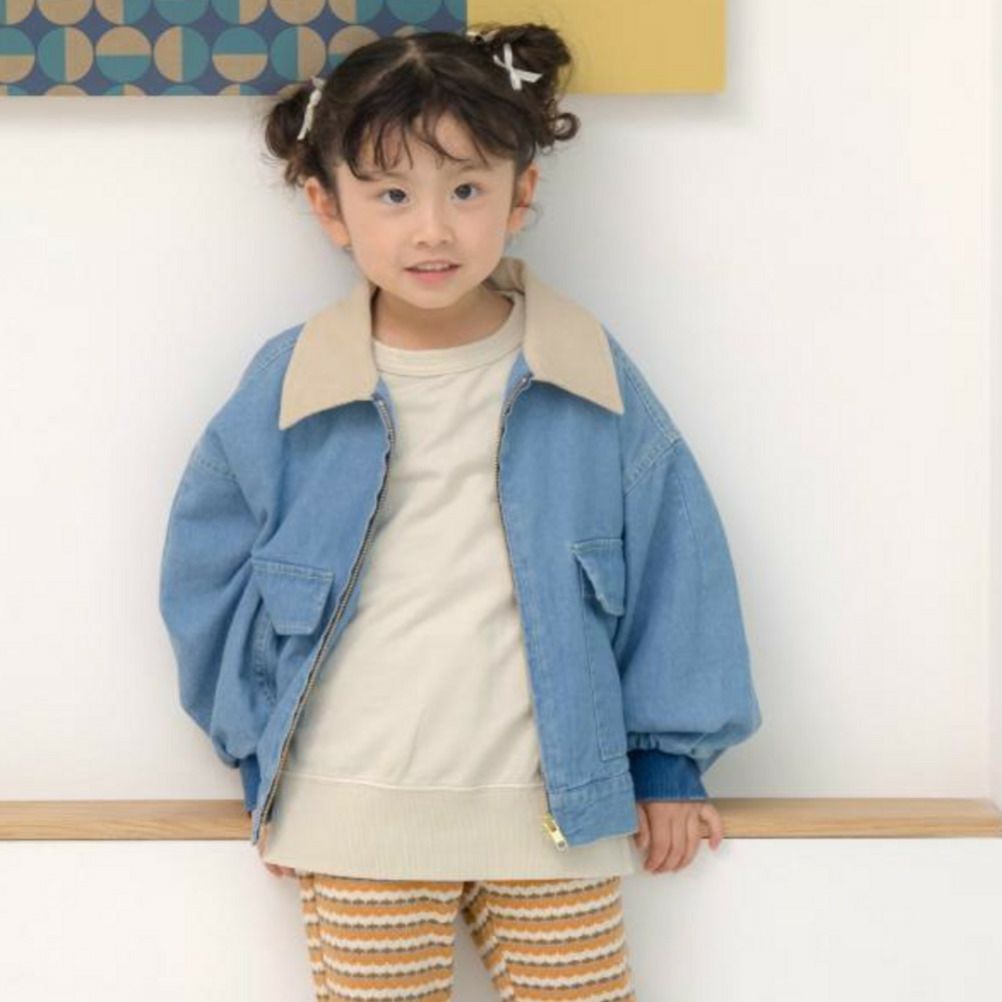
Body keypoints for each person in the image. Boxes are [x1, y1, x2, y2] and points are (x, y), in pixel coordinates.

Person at [158, 20, 762, 1002]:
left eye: (467, 190)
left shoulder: (584, 373)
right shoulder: (293, 383)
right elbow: (208, 579)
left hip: (556, 809)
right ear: (329, 207)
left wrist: (668, 761)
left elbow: (675, 562)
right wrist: (262, 751)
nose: (432, 229)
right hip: (354, 809)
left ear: (521, 195)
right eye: (392, 195)